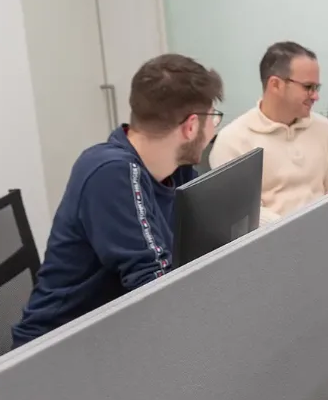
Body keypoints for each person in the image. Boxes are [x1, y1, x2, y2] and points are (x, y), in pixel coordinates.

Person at [12, 54, 223, 347]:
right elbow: (156, 284)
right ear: (190, 127)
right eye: (213, 118)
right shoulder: (111, 173)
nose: (215, 130)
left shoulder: (177, 169)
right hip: (55, 355)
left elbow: (202, 240)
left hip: (115, 339)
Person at [209, 41, 328, 225]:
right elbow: (243, 217)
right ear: (275, 85)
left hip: (324, 238)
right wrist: (295, 229)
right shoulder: (233, 140)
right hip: (269, 246)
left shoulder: (325, 129)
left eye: (317, 88)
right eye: (308, 87)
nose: (315, 96)